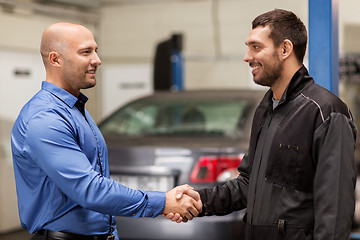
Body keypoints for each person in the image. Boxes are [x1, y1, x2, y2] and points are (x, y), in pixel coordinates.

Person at [168, 9, 357, 240]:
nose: (247, 57)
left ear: (285, 49)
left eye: (256, 47)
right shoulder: (265, 109)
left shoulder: (325, 112)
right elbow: (248, 185)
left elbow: (335, 212)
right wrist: (200, 201)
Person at [11, 22, 201, 240]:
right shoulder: (45, 119)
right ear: (55, 59)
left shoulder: (74, 109)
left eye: (96, 50)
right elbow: (90, 190)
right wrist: (164, 203)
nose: (97, 60)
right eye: (86, 52)